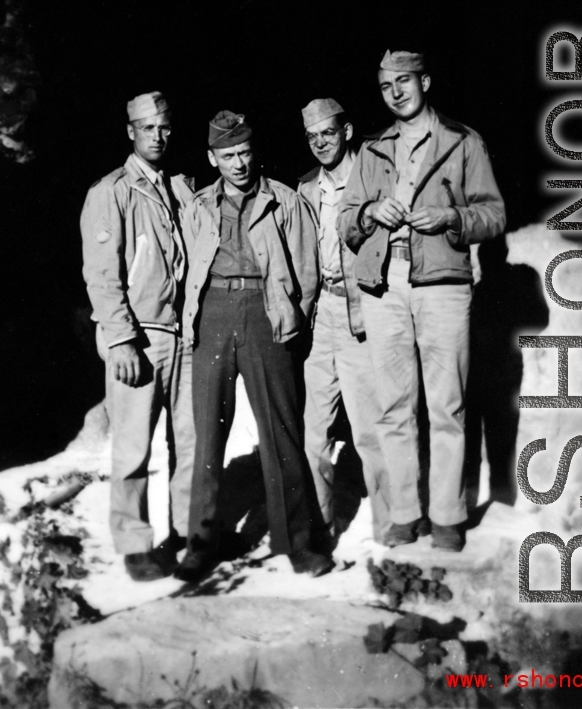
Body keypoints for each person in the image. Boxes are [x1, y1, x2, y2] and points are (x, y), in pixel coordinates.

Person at [338, 51, 506, 552]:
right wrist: (369, 210)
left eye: (404, 81)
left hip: (443, 286)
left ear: (425, 82)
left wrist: (451, 217)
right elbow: (346, 222)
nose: (395, 92)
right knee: (394, 406)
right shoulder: (372, 151)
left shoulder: (462, 141)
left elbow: (493, 214)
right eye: (386, 84)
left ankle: (449, 515)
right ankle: (406, 513)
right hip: (384, 288)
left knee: (447, 406)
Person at [177, 110, 331, 580]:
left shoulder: (284, 201)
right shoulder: (198, 206)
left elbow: (308, 272)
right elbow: (184, 264)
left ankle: (298, 543)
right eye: (228, 156)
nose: (239, 164)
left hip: (266, 312)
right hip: (213, 313)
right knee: (207, 435)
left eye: (244, 152)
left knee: (281, 433)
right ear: (212, 158)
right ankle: (201, 542)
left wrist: (287, 316)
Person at [80, 92, 195, 581]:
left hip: (183, 334)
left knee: (190, 442)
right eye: (147, 127)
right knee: (132, 446)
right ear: (130, 131)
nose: (157, 135)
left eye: (164, 127)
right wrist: (121, 338)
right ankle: (134, 542)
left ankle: (189, 535)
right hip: (141, 335)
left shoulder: (180, 187)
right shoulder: (111, 191)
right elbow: (102, 274)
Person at [297, 98, 391, 545]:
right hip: (321, 318)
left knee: (370, 430)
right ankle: (321, 526)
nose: (320, 144)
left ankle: (393, 528)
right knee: (313, 432)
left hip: (363, 313)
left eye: (328, 134)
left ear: (347, 131)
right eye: (312, 137)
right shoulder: (304, 189)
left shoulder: (374, 178)